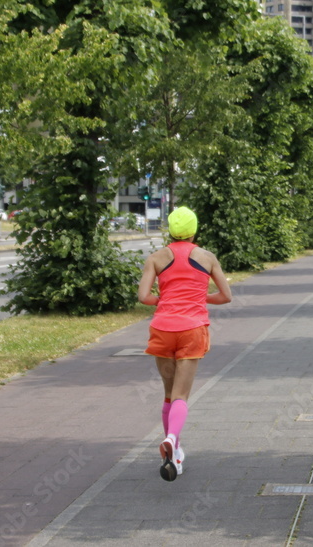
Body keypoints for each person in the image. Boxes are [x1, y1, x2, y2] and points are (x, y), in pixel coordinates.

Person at [137, 206, 232, 482]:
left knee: (168, 394)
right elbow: (226, 296)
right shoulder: (207, 257)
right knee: (182, 395)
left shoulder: (156, 258)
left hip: (162, 328)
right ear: (194, 230)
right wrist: (198, 300)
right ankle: (171, 438)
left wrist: (166, 302)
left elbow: (144, 297)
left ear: (169, 229)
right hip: (192, 329)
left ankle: (174, 453)